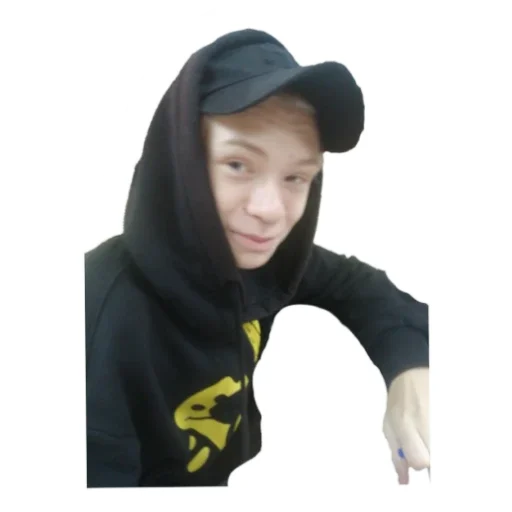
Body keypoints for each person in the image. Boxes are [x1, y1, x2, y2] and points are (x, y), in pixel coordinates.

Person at [85, 28, 429, 488]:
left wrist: (409, 366)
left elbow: (357, 285)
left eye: (295, 177)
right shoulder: (92, 322)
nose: (269, 211)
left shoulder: (263, 260)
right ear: (180, 161)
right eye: (237, 165)